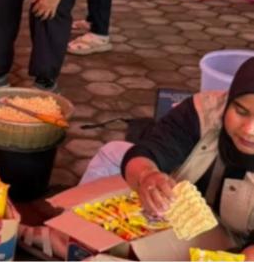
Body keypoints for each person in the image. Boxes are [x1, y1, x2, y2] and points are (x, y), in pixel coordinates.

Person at [80, 58, 254, 257]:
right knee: (113, 152)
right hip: (173, 213)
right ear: (230, 100)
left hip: (235, 241)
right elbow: (150, 150)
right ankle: (67, 234)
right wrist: (147, 176)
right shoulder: (204, 111)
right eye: (241, 111)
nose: (249, 130)